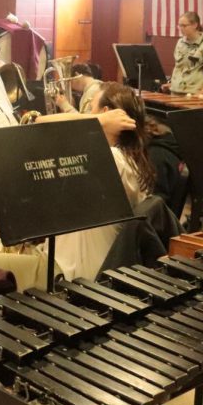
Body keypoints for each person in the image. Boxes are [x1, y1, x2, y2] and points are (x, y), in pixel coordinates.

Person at [52, 82, 154, 280]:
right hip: (93, 261)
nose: (89, 113)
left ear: (106, 112)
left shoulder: (111, 159)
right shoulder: (129, 156)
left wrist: (97, 120)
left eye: (92, 109)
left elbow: (41, 124)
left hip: (73, 270)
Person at [165, 11, 203, 96]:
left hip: (193, 94)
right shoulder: (180, 42)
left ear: (195, 25)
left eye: (184, 26)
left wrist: (201, 93)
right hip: (175, 92)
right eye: (179, 25)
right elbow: (179, 67)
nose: (181, 28)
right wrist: (172, 84)